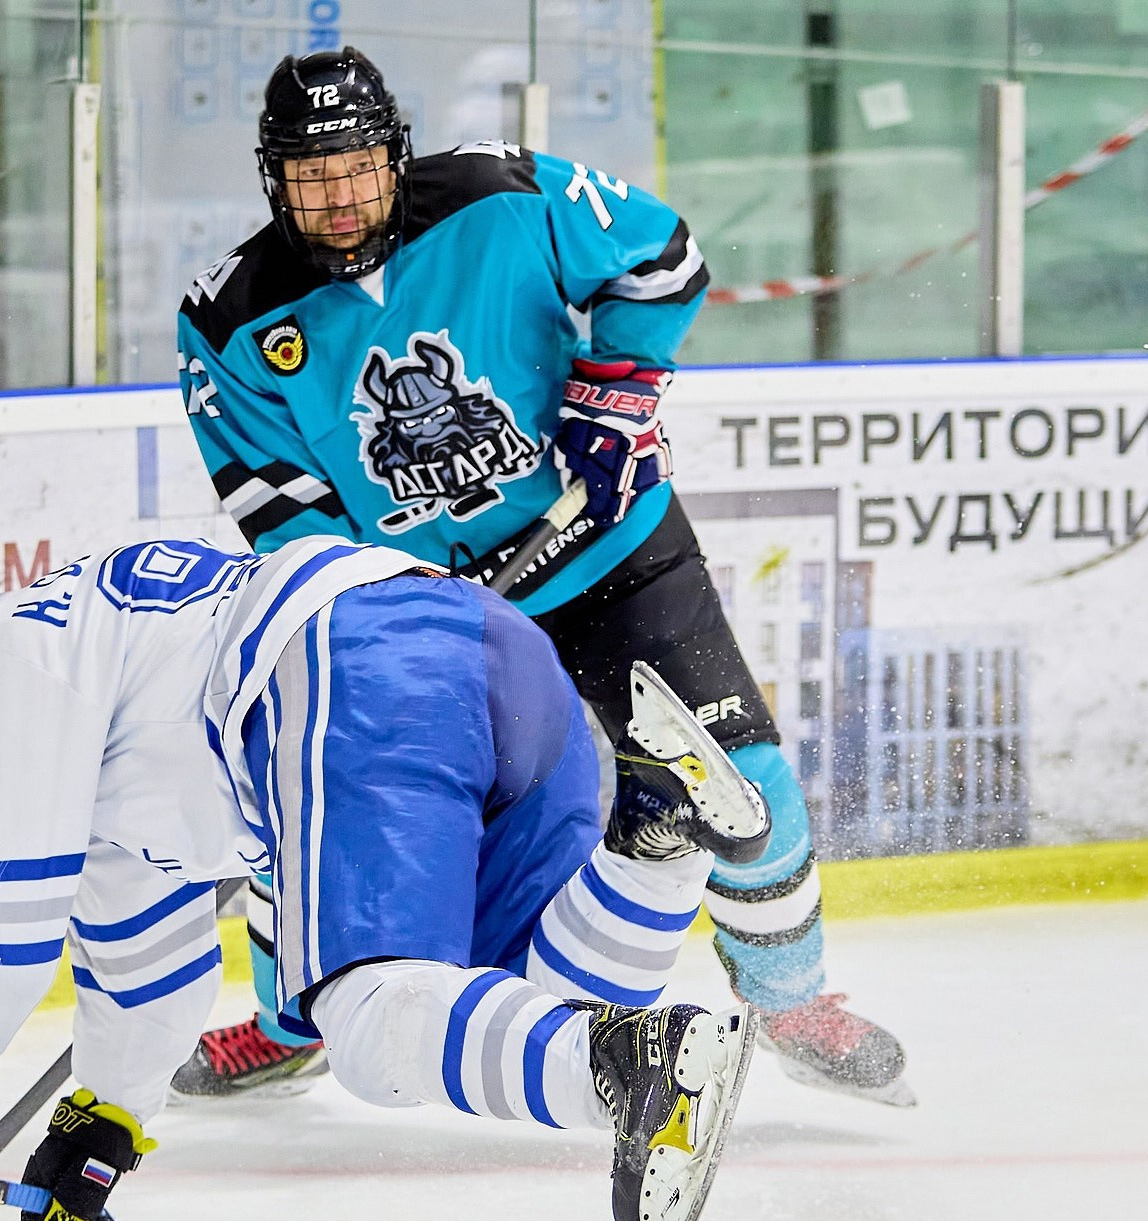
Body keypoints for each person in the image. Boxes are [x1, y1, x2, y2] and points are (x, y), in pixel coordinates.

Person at [169, 46, 912, 1106]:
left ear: (396, 153)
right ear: (272, 180)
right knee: (319, 803)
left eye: (359, 166)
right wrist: (387, 601)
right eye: (310, 176)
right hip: (429, 621)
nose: (339, 197)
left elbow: (660, 255)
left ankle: (791, 997)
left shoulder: (499, 193)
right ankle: (297, 1016)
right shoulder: (229, 320)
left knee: (742, 782)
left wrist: (615, 393)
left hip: (610, 554)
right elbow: (279, 512)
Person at [0, 534, 771, 1221]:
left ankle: (630, 1061)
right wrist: (99, 1130)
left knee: (371, 1025)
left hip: (349, 662)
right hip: (482, 647)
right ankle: (658, 836)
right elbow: (144, 971)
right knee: (537, 995)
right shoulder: (83, 714)